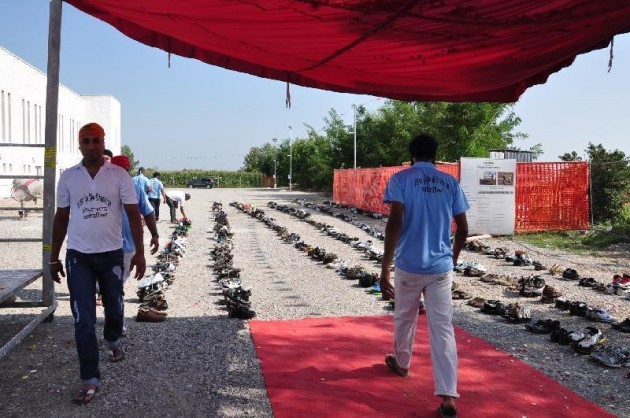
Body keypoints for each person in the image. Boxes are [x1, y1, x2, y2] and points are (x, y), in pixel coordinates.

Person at [49, 122, 147, 405]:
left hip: (112, 255)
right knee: (83, 320)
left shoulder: (118, 176)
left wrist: (139, 253)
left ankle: (113, 339)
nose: (92, 146)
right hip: (79, 256)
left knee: (115, 309)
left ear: (104, 143)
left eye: (96, 141)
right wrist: (54, 257)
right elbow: (61, 218)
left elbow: (133, 215)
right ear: (79, 144)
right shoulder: (69, 177)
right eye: (86, 141)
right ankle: (89, 377)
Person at [380, 134, 469, 418]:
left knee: (404, 317)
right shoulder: (450, 183)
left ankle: (402, 363)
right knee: (442, 328)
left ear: (411, 156)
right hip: (440, 269)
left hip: (408, 265)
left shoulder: (401, 179)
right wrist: (451, 258)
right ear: (435, 156)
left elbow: (395, 221)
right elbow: (464, 228)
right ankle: (448, 397)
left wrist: (384, 268)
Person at [110, 155, 160, 329]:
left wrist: (154, 234)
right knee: (115, 286)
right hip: (111, 247)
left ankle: (116, 323)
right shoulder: (105, 187)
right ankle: (115, 322)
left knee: (116, 286)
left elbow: (147, 212)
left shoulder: (133, 188)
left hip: (123, 247)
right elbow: (147, 212)